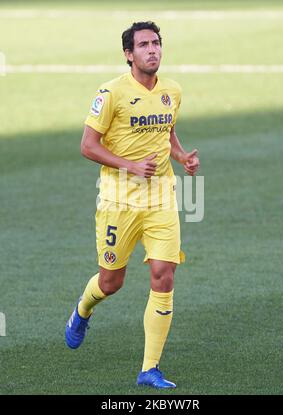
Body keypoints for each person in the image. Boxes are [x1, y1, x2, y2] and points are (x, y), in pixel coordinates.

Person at [65, 21, 200, 389]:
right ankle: (82, 309)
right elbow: (87, 145)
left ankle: (149, 369)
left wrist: (182, 156)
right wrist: (129, 165)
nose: (152, 50)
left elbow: (166, 132)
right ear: (129, 54)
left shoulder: (172, 91)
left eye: (156, 43)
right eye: (143, 45)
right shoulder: (110, 94)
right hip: (118, 202)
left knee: (164, 274)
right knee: (111, 282)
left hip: (161, 198)